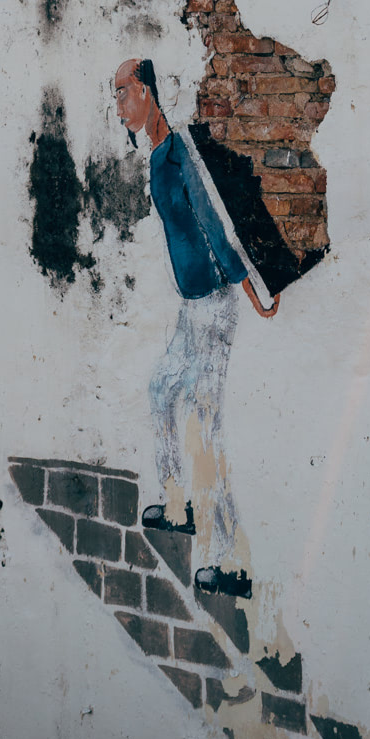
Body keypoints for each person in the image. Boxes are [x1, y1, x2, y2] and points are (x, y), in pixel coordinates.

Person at [112, 59, 277, 542]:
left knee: (204, 423)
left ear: (144, 90)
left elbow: (214, 226)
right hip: (192, 307)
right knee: (162, 393)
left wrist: (253, 292)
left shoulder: (180, 151)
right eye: (116, 96)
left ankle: (227, 554)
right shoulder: (159, 153)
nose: (119, 106)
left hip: (213, 304)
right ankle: (178, 506)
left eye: (122, 93)